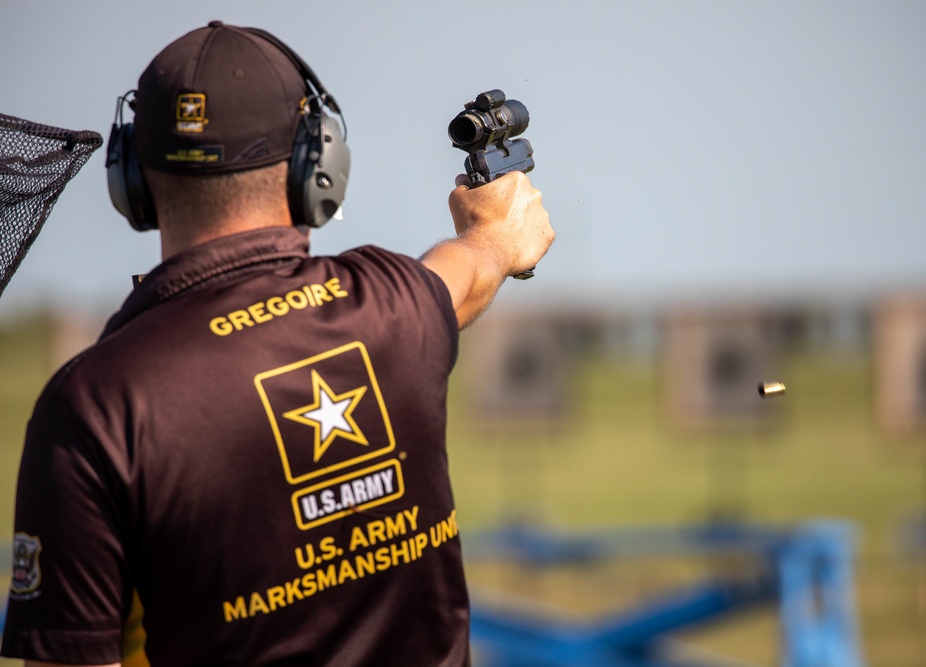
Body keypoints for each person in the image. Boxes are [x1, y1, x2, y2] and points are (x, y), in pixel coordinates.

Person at [1, 21, 553, 667]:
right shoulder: (397, 303)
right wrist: (495, 229)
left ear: (129, 178)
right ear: (318, 163)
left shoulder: (93, 407)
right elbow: (482, 258)